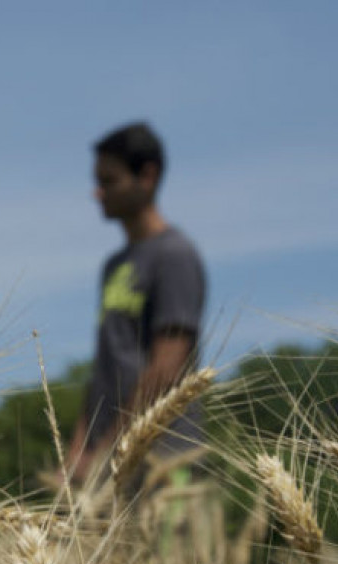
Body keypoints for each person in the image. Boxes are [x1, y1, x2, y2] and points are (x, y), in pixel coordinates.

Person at [63, 122, 206, 493]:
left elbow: (166, 367)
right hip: (110, 457)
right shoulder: (115, 265)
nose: (98, 193)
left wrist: (113, 444)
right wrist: (80, 448)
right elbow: (104, 365)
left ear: (148, 175)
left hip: (163, 457)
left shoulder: (174, 255)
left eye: (109, 181)